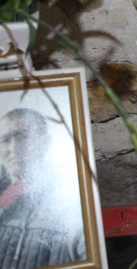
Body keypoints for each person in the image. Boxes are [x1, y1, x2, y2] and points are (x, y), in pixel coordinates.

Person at [0, 108, 86, 268]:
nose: (14, 148)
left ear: (45, 143)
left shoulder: (70, 199)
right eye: (5, 140)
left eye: (23, 137)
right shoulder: (3, 197)